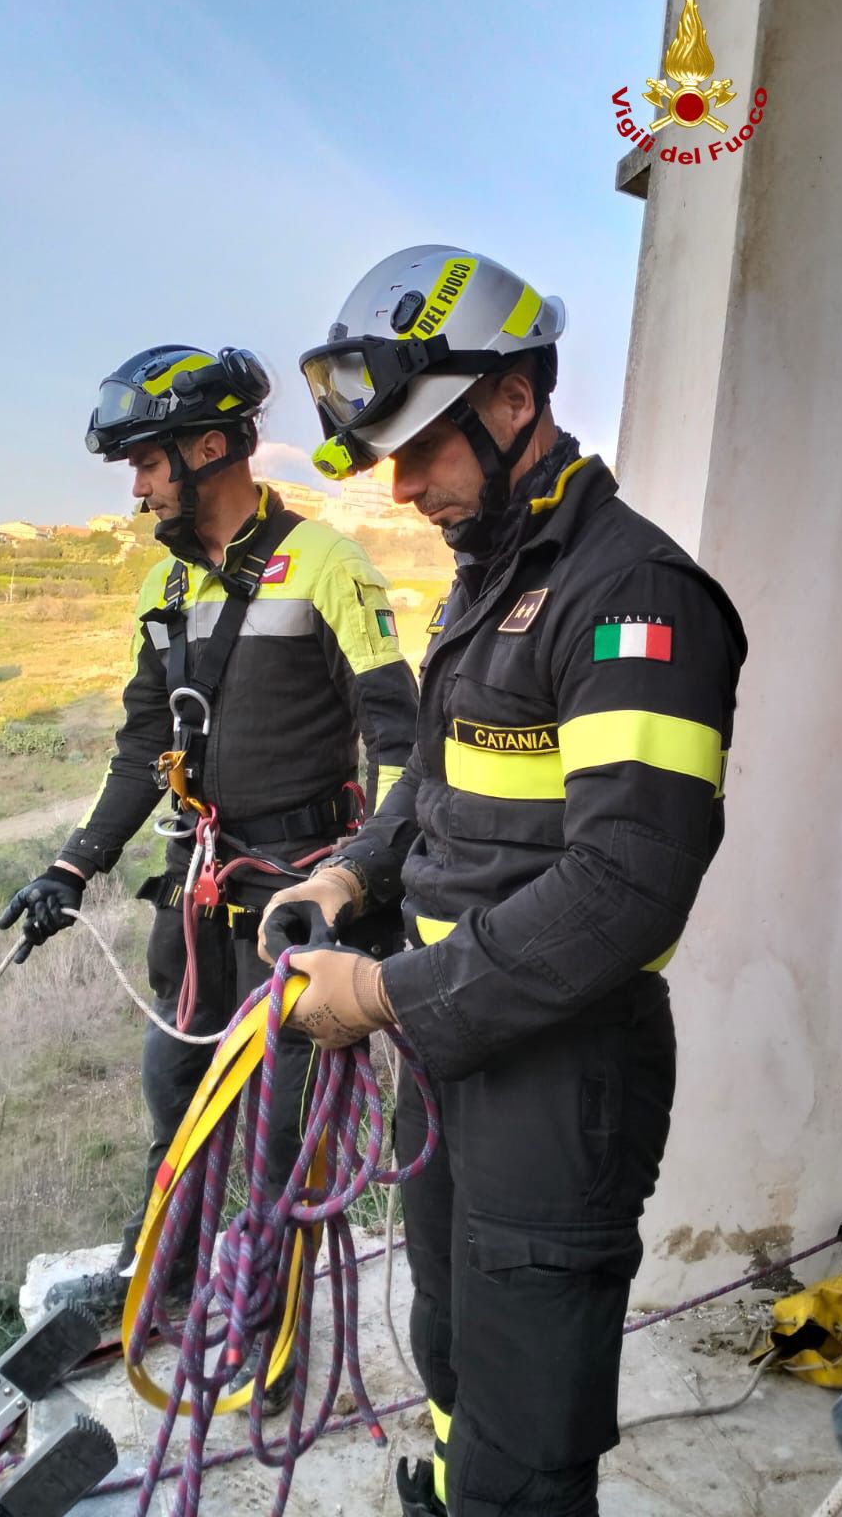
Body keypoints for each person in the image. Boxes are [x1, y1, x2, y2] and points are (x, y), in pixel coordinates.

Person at [257, 248, 748, 1513]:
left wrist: (377, 995)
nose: (403, 484)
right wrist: (349, 876)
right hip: (456, 1045)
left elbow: (626, 887)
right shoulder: (491, 579)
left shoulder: (629, 596)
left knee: (527, 1424)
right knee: (457, 1336)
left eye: (421, 446)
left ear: (515, 399)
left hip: (561, 1070)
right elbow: (431, 778)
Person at [0, 343, 418, 1406]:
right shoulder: (166, 580)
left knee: (278, 1126)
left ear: (211, 445)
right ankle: (165, 1286)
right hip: (194, 891)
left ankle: (266, 1335)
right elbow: (146, 744)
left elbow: (398, 735)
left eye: (146, 463)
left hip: (296, 898)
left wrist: (371, 882)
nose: (135, 487)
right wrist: (70, 862)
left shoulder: (327, 562)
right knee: (176, 1092)